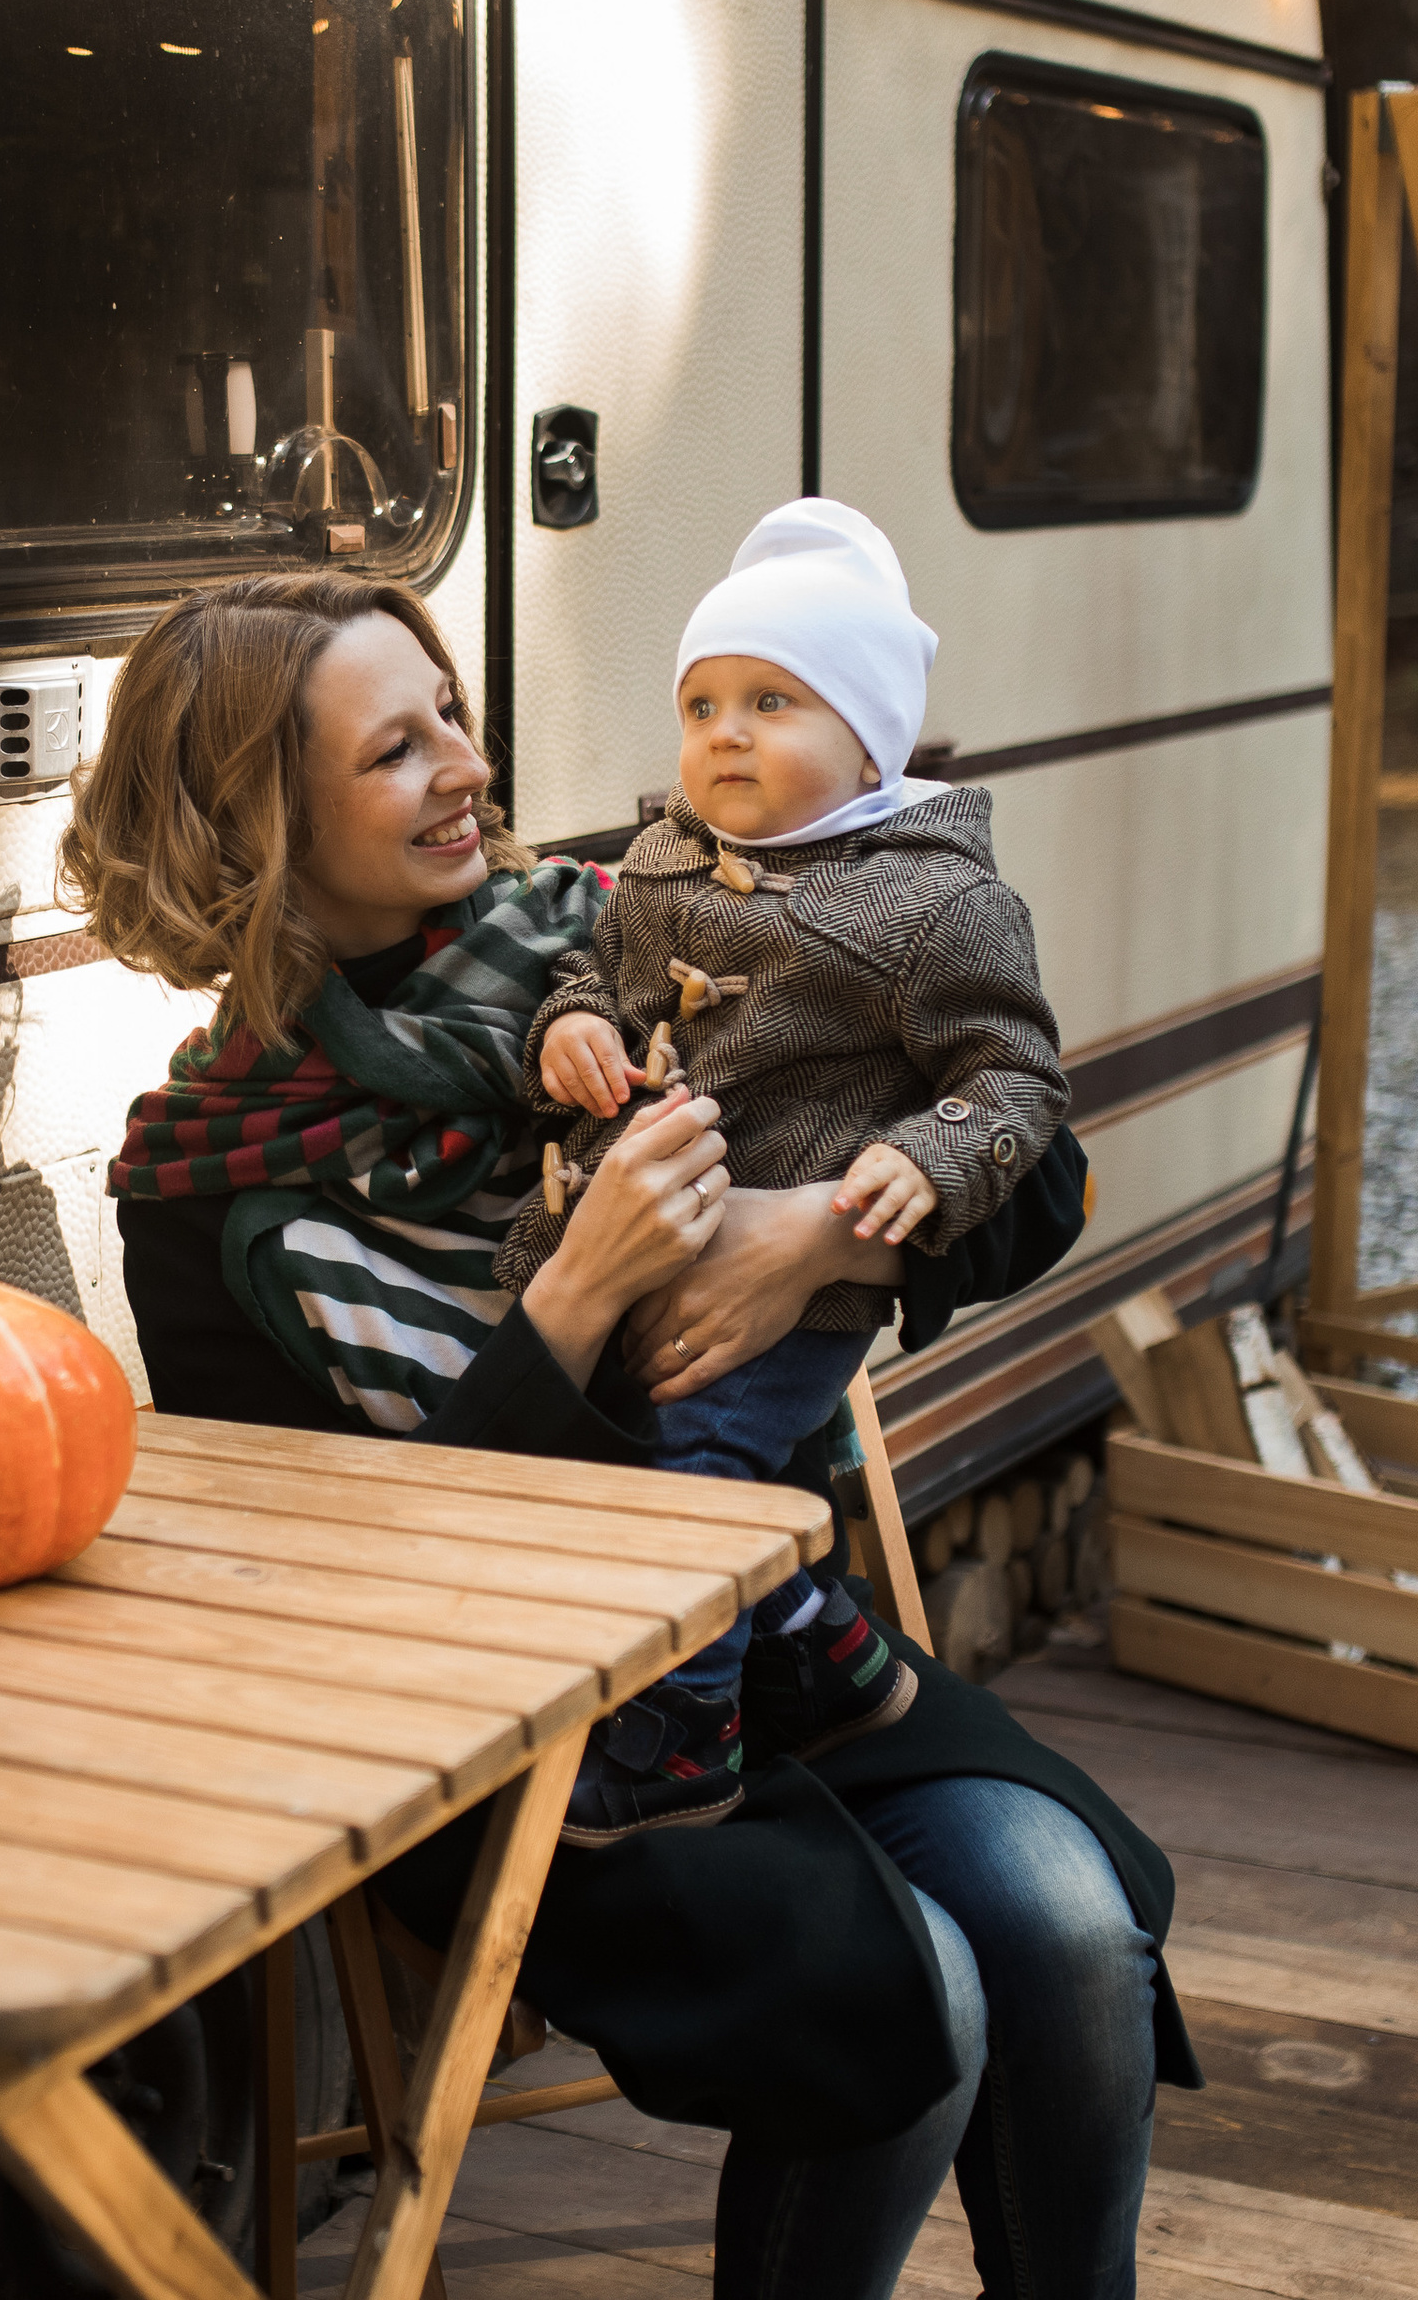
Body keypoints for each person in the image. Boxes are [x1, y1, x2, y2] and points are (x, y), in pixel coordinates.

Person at [62, 568, 1191, 2300]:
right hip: (512, 1751)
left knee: (1068, 1922)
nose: (466, 765)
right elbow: (336, 1568)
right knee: (917, 1997)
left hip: (783, 1642)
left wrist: (817, 1233)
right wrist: (574, 1304)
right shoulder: (212, 1187)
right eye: (395, 749)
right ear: (261, 826)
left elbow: (1042, 1183)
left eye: (450, 710)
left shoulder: (656, 934)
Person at [496, 500, 1070, 1837]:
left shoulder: (936, 904)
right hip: (645, 1241)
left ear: (871, 739)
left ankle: (678, 1742)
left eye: (772, 701)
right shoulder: (659, 866)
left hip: (795, 1297)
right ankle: (815, 1630)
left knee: (697, 1478)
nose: (726, 735)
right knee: (650, 1463)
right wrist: (569, 1027)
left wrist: (916, 1170)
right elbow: (599, 976)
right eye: (701, 705)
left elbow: (1019, 1077)